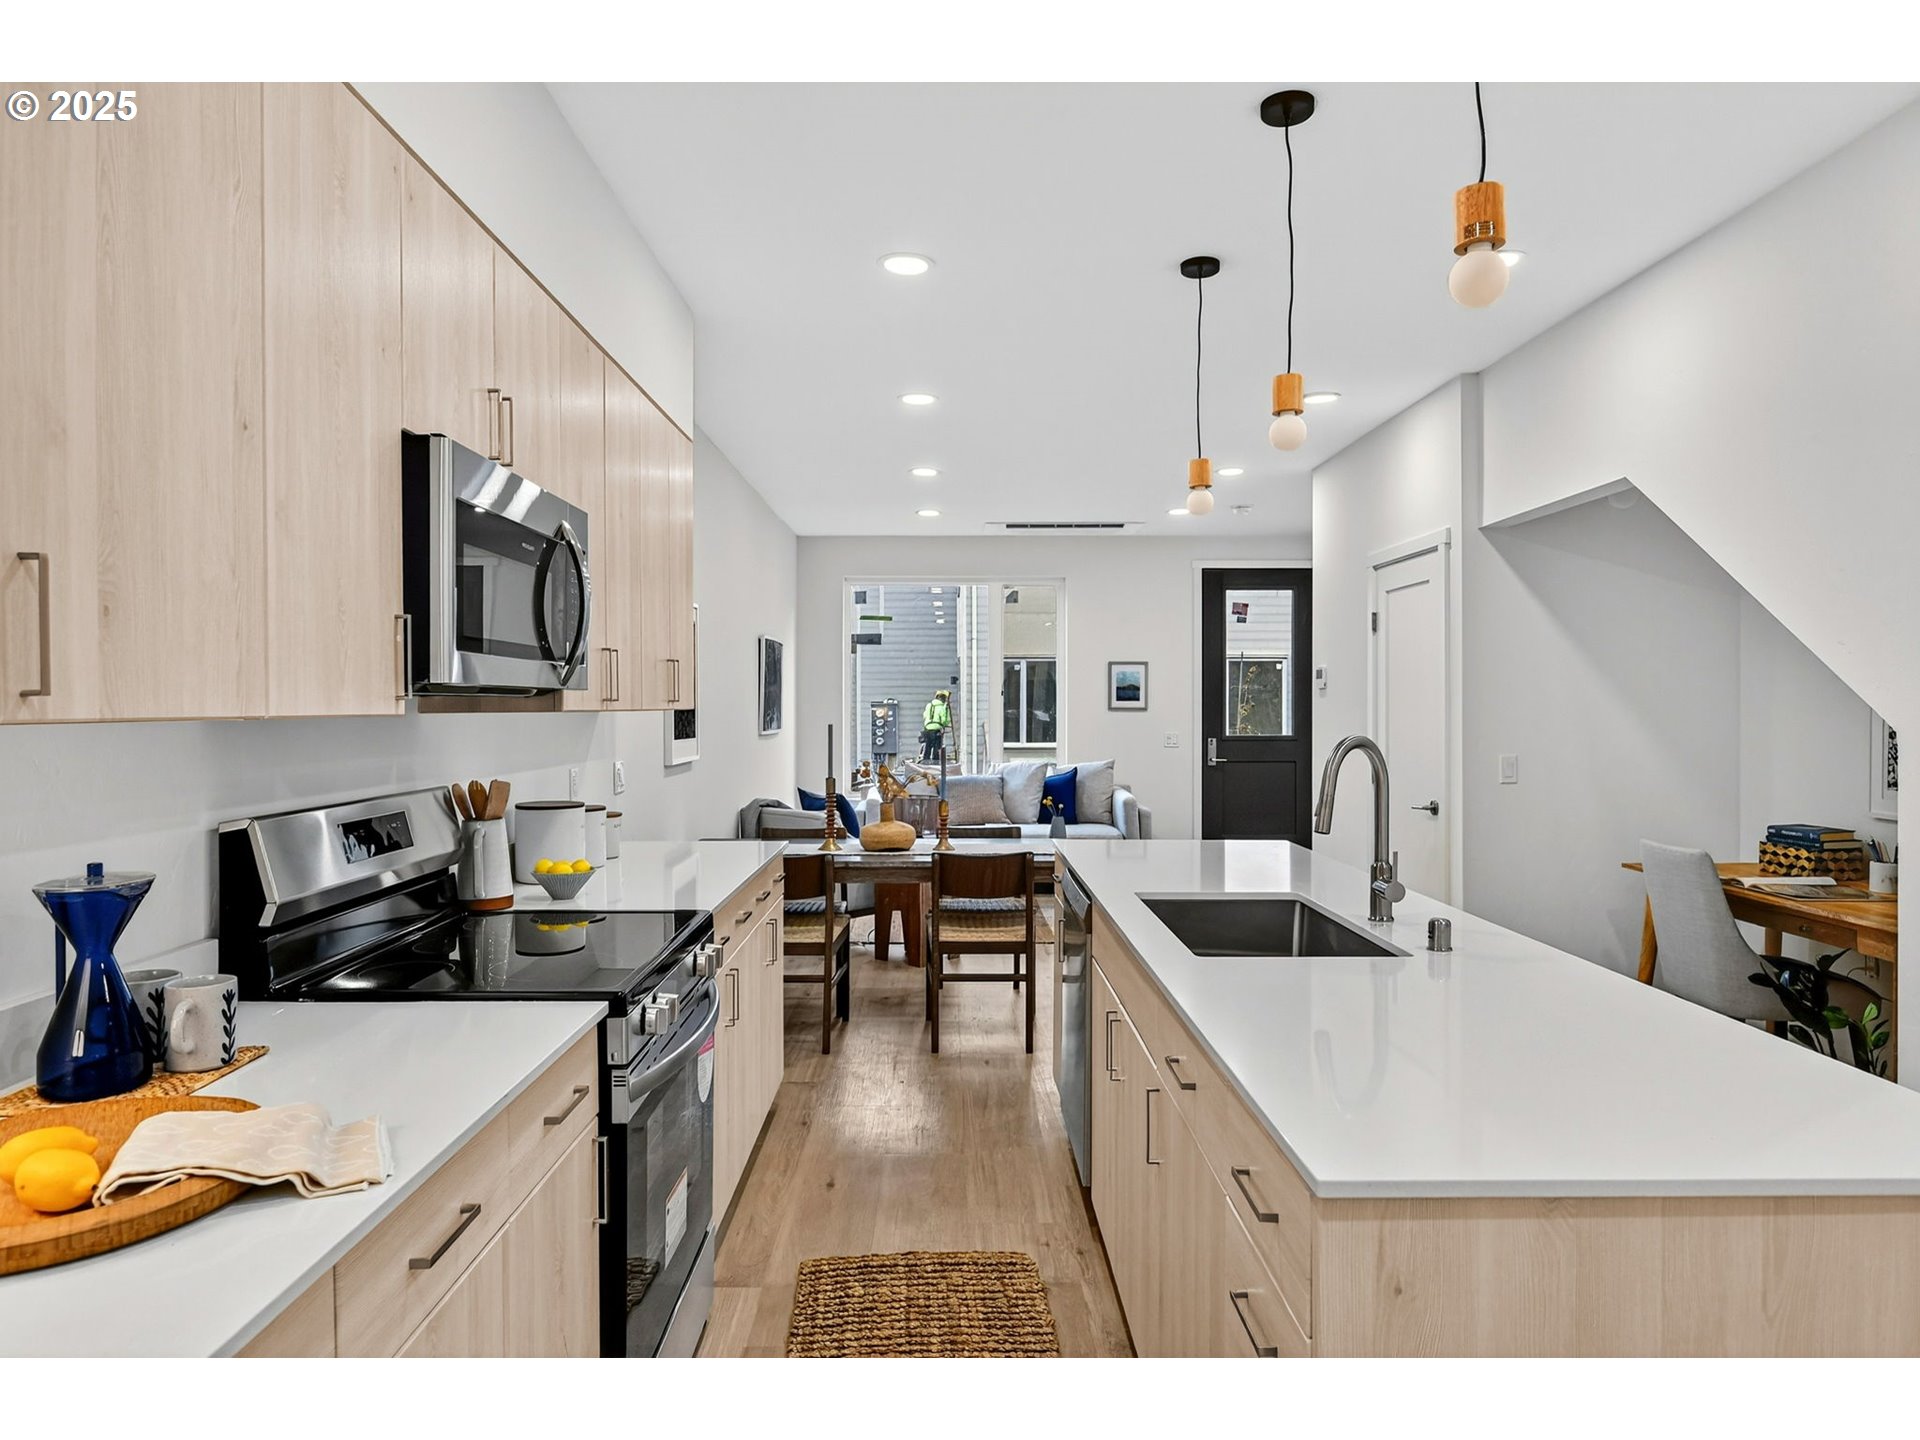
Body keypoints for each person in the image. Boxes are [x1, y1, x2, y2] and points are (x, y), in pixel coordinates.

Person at [919, 689, 952, 762]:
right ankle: (936, 763)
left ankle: (925, 762)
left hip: (927, 728)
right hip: (936, 729)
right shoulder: (942, 707)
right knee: (936, 748)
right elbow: (944, 721)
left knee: (927, 747)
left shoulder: (929, 705)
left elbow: (925, 716)